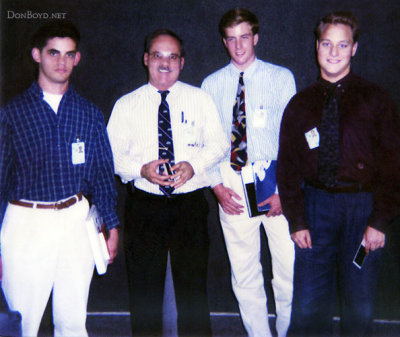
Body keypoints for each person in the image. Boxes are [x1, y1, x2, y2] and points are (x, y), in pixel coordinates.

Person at [277, 11, 400, 337]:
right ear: (317, 46)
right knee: (307, 306)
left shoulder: (376, 100)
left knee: (359, 304)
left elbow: (394, 165)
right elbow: (287, 167)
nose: (333, 52)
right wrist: (297, 220)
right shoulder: (300, 105)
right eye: (327, 44)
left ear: (354, 48)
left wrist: (380, 220)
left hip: (363, 208)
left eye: (342, 45)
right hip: (315, 207)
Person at [0, 21, 119, 337]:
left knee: (72, 323)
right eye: (54, 53)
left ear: (77, 59)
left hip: (76, 222)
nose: (61, 62)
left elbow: (102, 176)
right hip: (26, 223)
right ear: (37, 55)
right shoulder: (11, 114)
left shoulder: (89, 114)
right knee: (21, 324)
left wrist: (112, 225)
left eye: (69, 54)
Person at [107, 29, 228, 337]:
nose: (164, 63)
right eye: (157, 55)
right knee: (145, 292)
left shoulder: (200, 99)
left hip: (189, 206)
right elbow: (111, 156)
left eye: (172, 56)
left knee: (193, 293)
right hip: (145, 206)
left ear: (182, 62)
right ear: (146, 59)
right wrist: (142, 170)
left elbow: (219, 145)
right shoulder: (126, 105)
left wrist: (193, 165)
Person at [201, 8, 296, 337]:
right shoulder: (210, 84)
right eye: (231, 38)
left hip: (273, 179)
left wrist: (285, 189)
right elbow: (206, 142)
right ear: (224, 42)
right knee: (244, 270)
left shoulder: (281, 78)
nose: (238, 45)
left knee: (288, 269)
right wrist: (215, 186)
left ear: (255, 38)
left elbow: (293, 138)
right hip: (231, 179)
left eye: (245, 37)